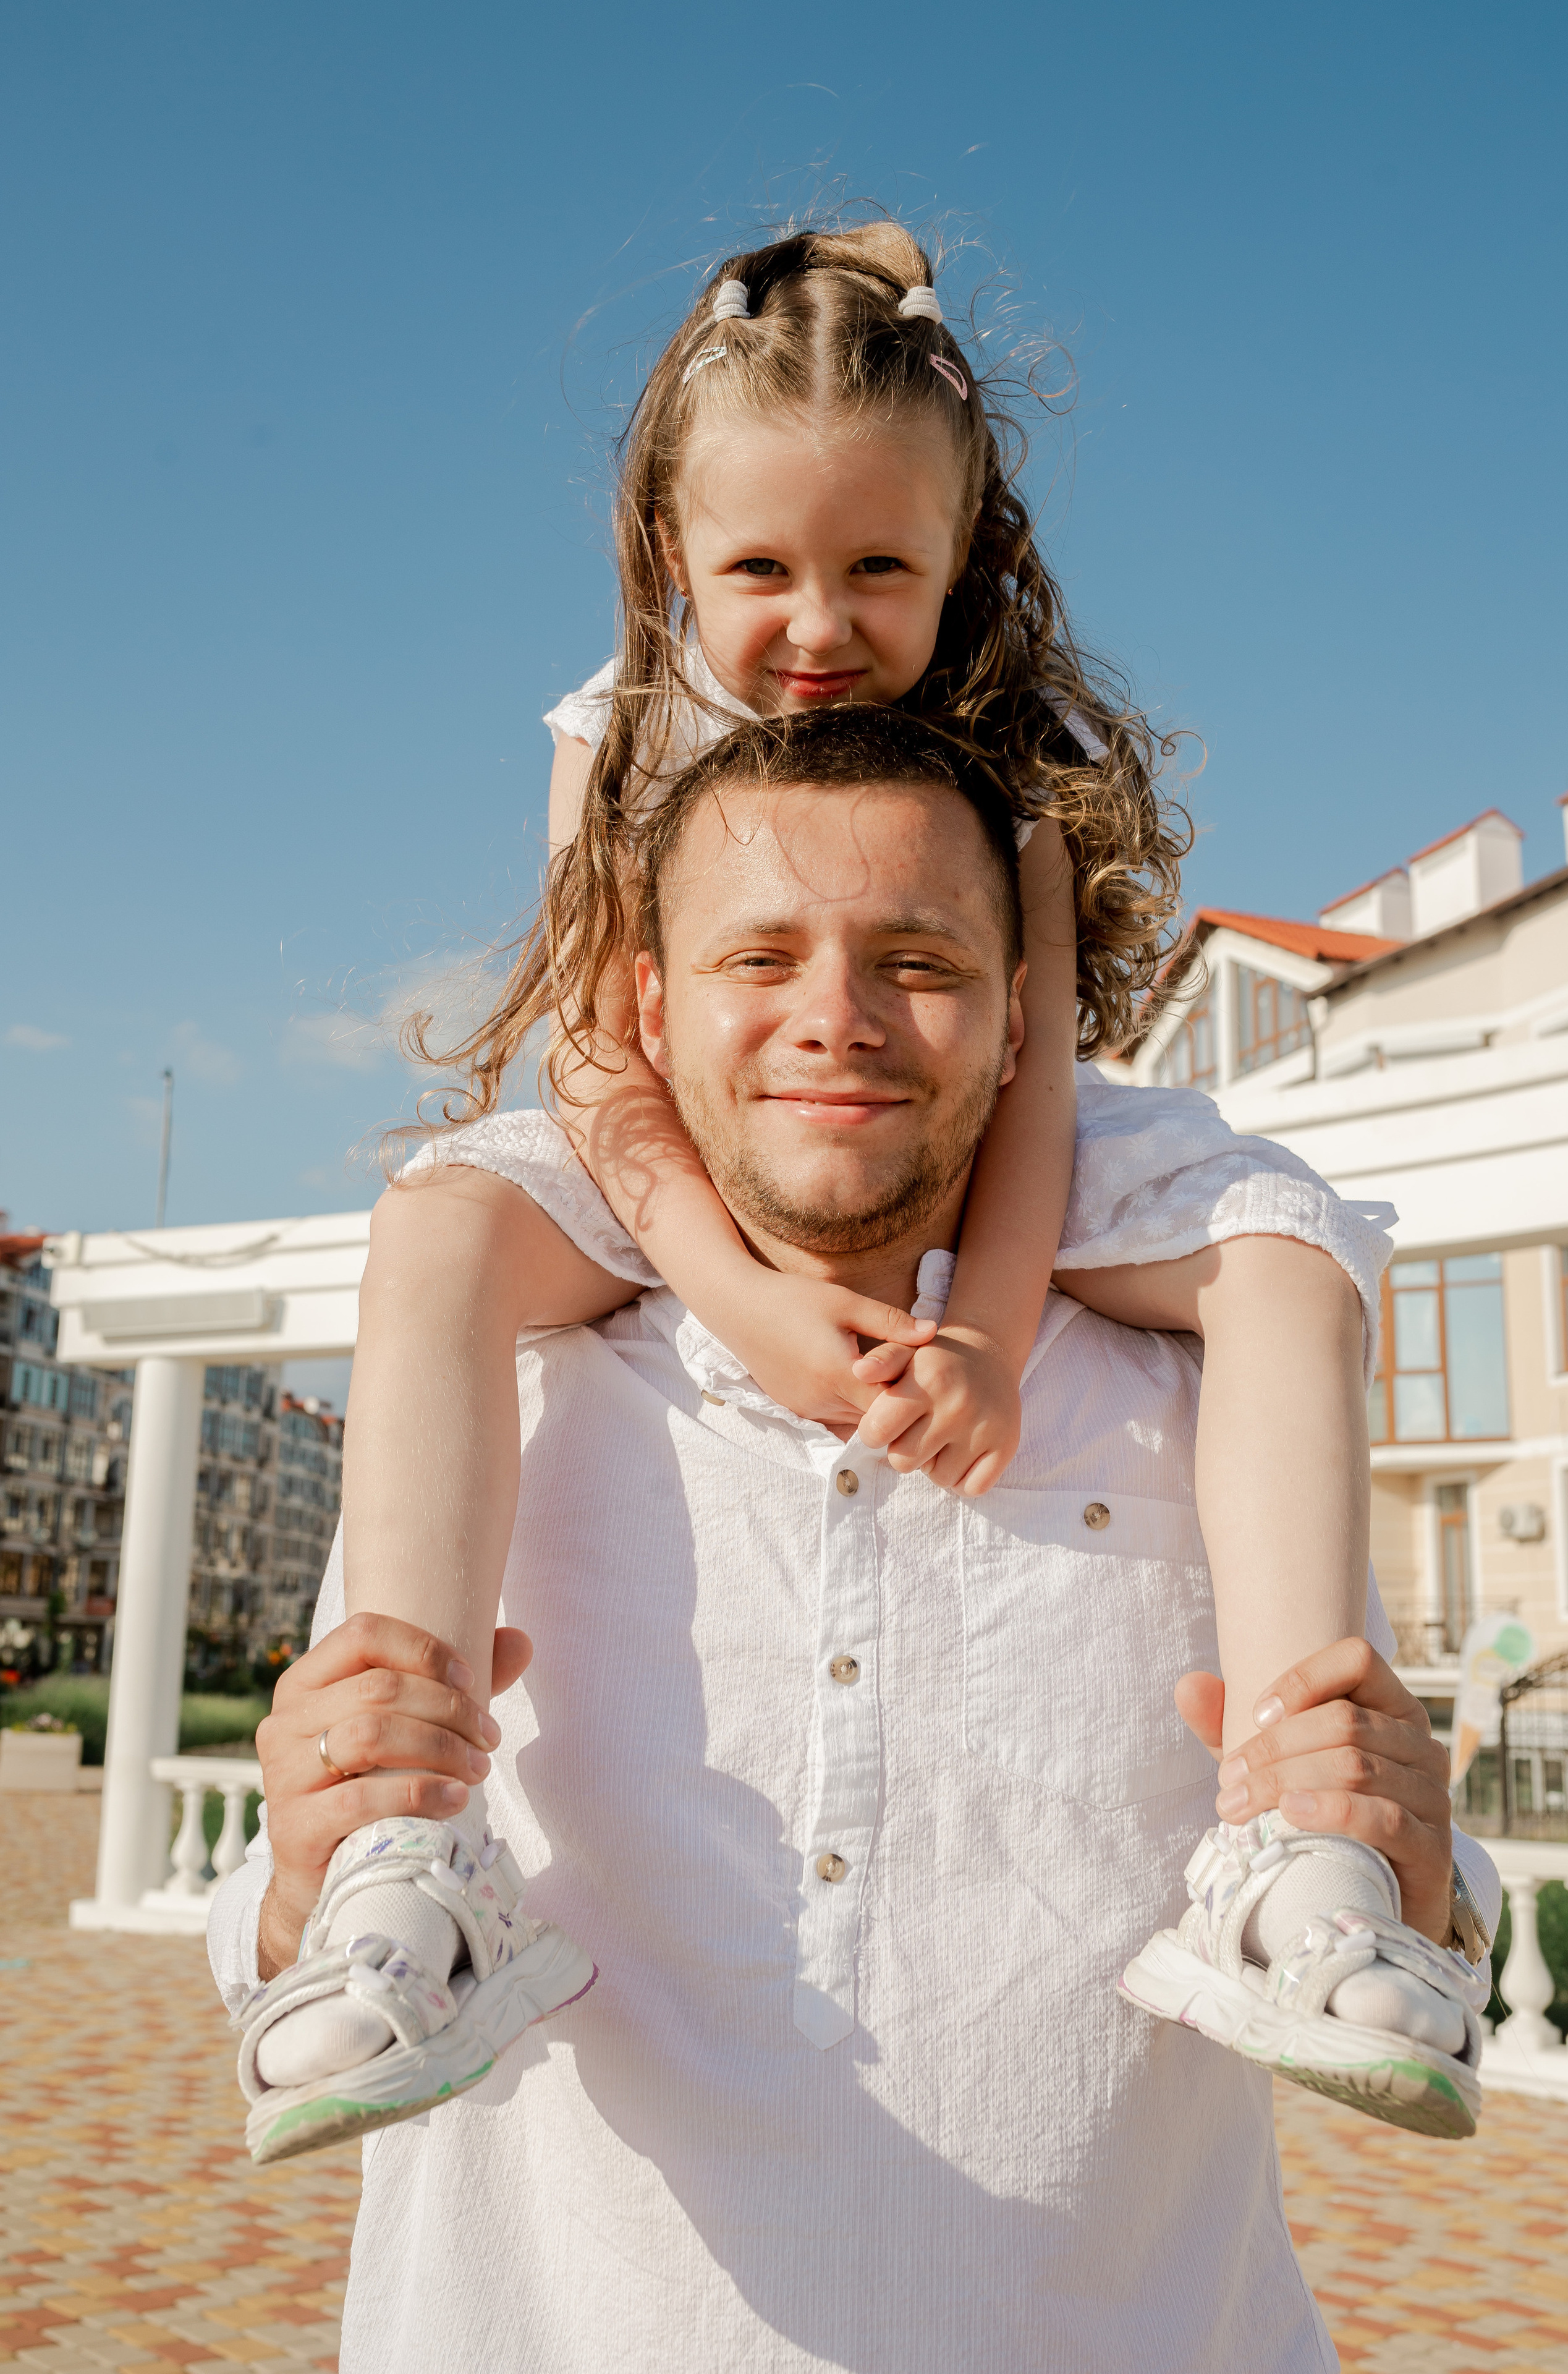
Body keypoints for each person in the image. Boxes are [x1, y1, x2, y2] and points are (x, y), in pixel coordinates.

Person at [238, 220, 1465, 2150]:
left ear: (959, 558)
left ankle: (1306, 1843)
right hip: (659, 1145)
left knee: (1286, 1258)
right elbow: (594, 1042)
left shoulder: (1013, 757)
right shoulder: (619, 730)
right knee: (444, 1222)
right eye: (761, 570)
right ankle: (407, 1845)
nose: (817, 623)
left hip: (999, 1119)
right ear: (670, 560)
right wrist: (729, 1290)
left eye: (878, 567)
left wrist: (983, 1320)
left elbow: (1043, 1057)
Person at [214, 708, 1498, 2370]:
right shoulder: (489, 1393)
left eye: (920, 961)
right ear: (652, 1009)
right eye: (763, 956)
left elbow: (1374, 1855)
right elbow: (289, 1936)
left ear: (1023, 1022)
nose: (836, 1019)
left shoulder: (1205, 1393)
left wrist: (1413, 1858)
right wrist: (304, 1864)